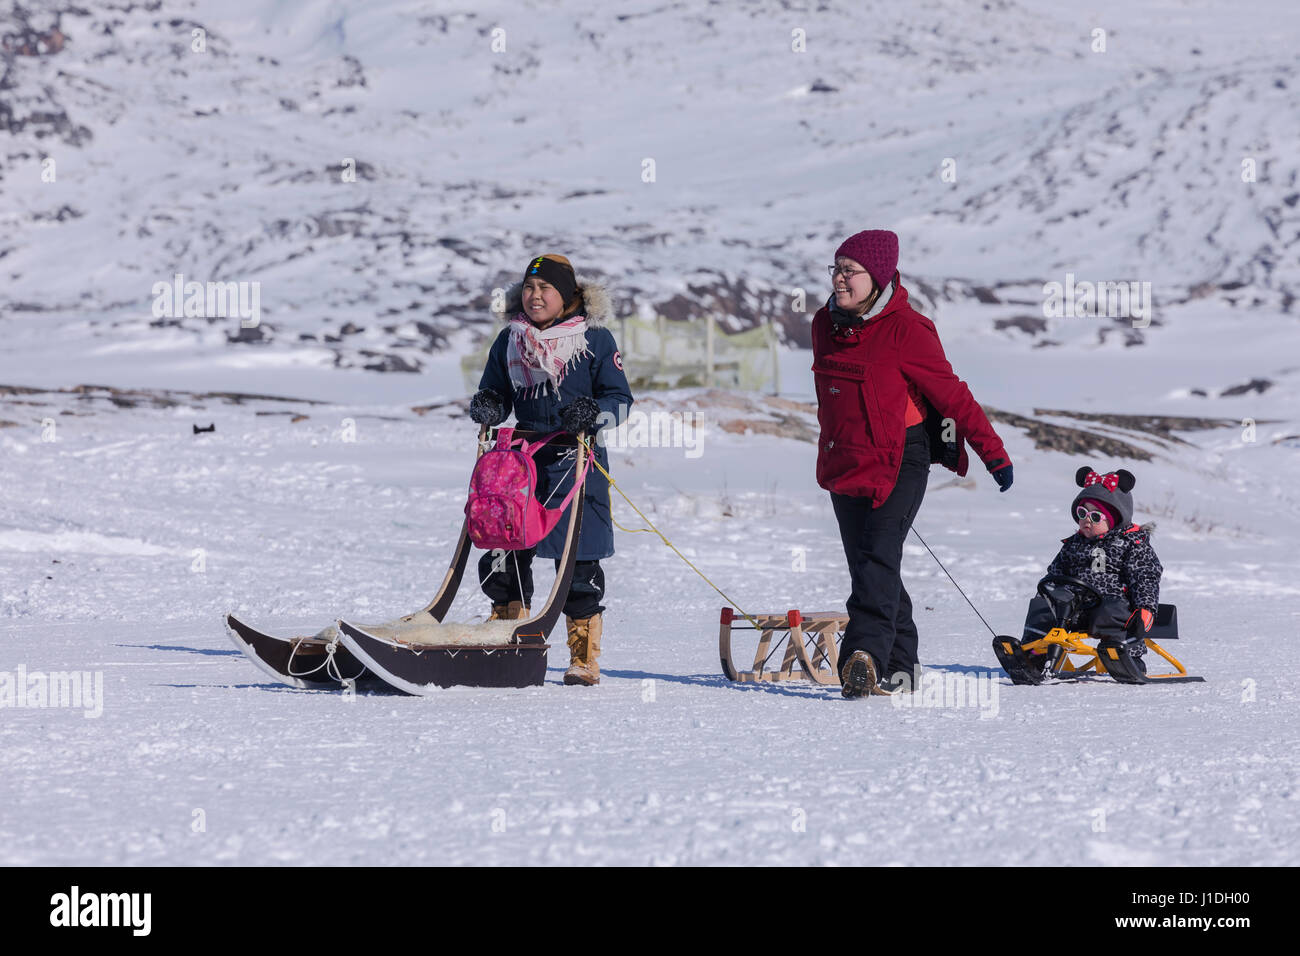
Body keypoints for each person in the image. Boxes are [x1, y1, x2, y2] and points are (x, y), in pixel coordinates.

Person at [811, 229, 1014, 698]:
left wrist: (993, 452)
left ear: (877, 277)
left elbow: (953, 395)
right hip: (846, 460)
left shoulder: (908, 330)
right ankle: (903, 666)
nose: (840, 279)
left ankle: (863, 659)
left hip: (901, 458)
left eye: (850, 271)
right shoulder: (825, 325)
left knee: (877, 558)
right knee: (870, 567)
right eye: (836, 268)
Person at [467, 254, 633, 685]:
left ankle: (583, 658)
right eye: (528, 287)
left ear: (568, 295)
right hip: (519, 464)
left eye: (545, 288)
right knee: (505, 548)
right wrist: (489, 405)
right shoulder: (509, 340)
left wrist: (593, 414)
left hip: (576, 462)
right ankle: (507, 634)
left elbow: (621, 403)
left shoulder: (595, 340)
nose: (535, 295)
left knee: (577, 562)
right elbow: (495, 391)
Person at [1021, 466, 1163, 676]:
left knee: (1111, 611)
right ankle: (1035, 655)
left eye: (1096, 517)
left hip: (1115, 606)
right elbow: (1056, 571)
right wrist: (1048, 593)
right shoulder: (1074, 544)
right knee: (1041, 608)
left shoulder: (1132, 543)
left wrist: (1145, 608)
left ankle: (1128, 657)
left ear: (1115, 518)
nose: (1087, 520)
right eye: (1082, 513)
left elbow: (1145, 577)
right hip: (1074, 609)